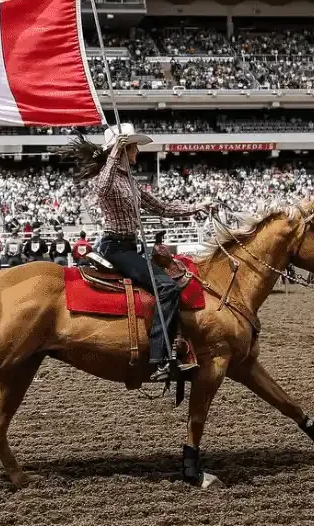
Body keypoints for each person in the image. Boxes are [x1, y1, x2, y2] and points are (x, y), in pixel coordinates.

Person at [65, 123, 213, 383]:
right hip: (115, 247)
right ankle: (160, 358)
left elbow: (161, 207)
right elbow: (101, 187)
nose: (137, 152)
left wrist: (195, 207)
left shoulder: (129, 181)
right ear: (123, 149)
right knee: (166, 288)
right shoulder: (107, 177)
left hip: (129, 246)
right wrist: (115, 151)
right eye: (134, 147)